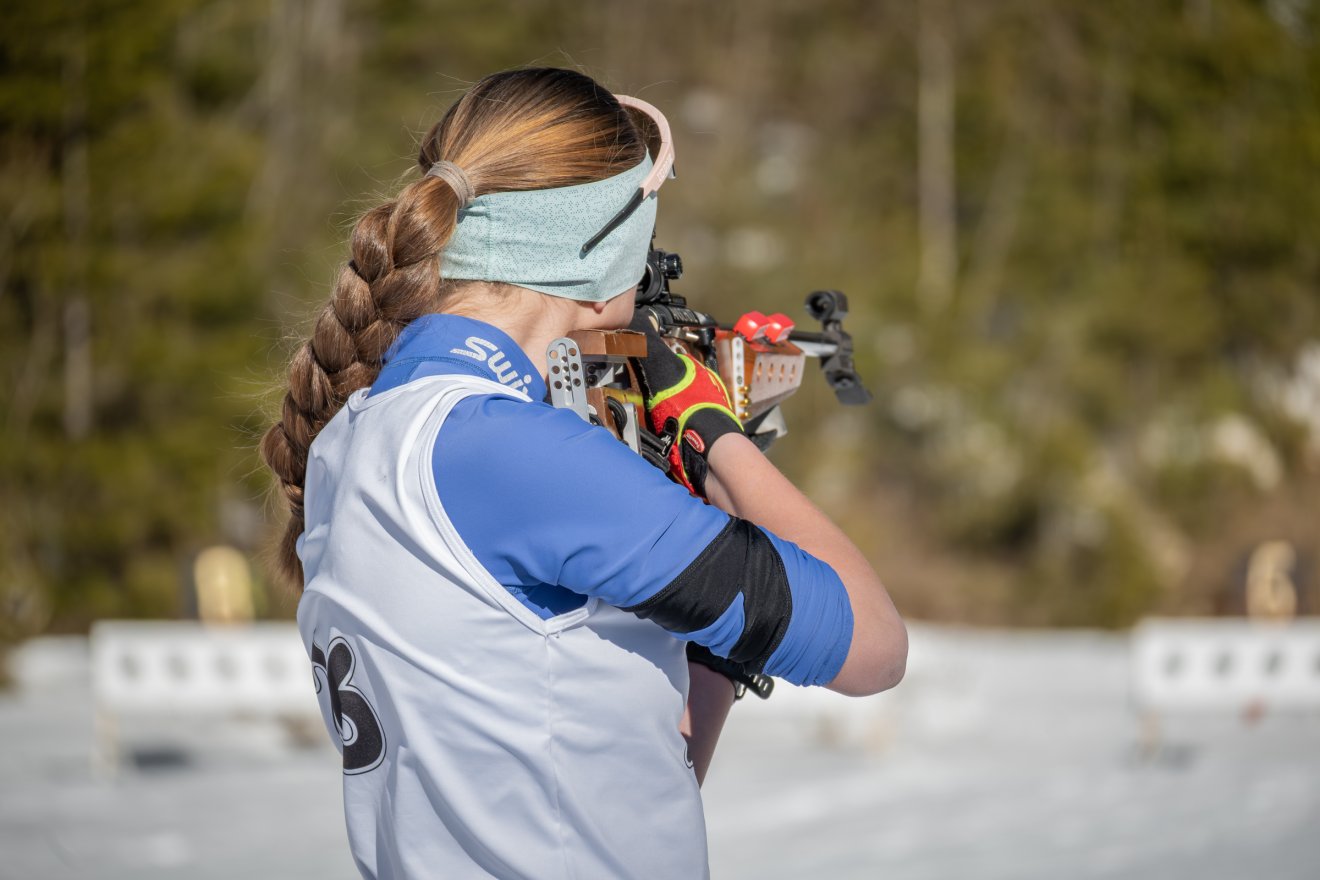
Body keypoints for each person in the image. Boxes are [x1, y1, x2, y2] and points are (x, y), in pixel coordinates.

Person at [261, 66, 906, 880]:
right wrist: (712, 435)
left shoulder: (349, 439)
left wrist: (720, 629)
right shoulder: (521, 454)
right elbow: (875, 646)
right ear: (600, 252)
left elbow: (626, 791)